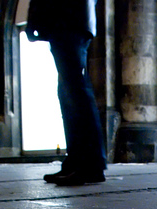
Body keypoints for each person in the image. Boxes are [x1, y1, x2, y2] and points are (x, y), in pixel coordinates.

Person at [26, 0, 107, 186]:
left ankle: (89, 164)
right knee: (70, 91)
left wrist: (34, 20)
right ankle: (79, 161)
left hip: (66, 19)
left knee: (75, 92)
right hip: (72, 19)